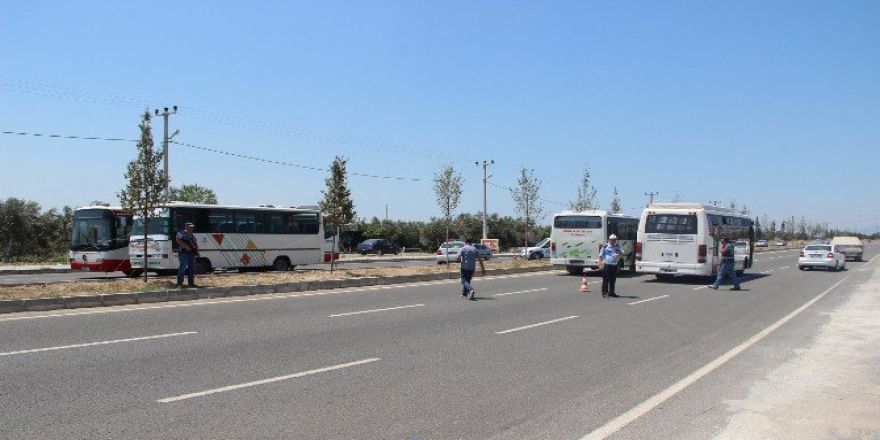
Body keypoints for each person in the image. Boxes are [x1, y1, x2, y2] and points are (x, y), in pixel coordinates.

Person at [176, 222, 199, 289]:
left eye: (192, 227)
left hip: (192, 254)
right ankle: (179, 284)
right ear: (186, 226)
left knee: (192, 268)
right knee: (182, 268)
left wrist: (197, 252)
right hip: (184, 253)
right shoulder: (181, 233)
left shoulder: (192, 235)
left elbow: (195, 244)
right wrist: (185, 246)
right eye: (190, 227)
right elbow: (178, 239)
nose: (191, 228)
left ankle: (191, 283)